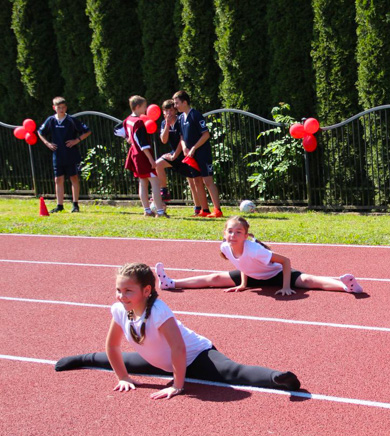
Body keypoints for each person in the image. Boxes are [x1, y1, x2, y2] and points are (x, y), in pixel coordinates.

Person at [54, 263, 300, 399]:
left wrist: (177, 385)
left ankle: (277, 378)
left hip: (195, 356)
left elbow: (178, 348)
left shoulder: (159, 310)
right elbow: (113, 346)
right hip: (159, 360)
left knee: (232, 372)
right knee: (111, 360)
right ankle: (81, 359)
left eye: (128, 291)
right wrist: (123, 377)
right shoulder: (119, 309)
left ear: (146, 290)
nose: (122, 295)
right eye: (119, 290)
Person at [154, 216, 365, 296]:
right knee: (215, 278)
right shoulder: (226, 247)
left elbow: (285, 261)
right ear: (224, 233)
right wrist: (244, 283)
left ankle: (345, 286)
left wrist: (285, 286)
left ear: (246, 236)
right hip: (254, 276)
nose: (233, 235)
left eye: (238, 232)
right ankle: (171, 283)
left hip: (275, 274)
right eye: (230, 231)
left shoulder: (255, 249)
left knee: (309, 281)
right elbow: (242, 264)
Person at [172, 90, 222, 217]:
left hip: (202, 153)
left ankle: (217, 210)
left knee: (207, 180)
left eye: (177, 103)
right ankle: (204, 210)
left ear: (185, 102)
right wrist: (184, 148)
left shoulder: (195, 115)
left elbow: (206, 134)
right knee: (196, 181)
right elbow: (182, 136)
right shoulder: (181, 118)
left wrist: (194, 148)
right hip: (190, 155)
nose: (175, 106)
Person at [37, 96, 91, 213]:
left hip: (70, 154)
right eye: (59, 107)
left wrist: (77, 140)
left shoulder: (71, 120)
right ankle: (59, 205)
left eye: (63, 107)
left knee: (74, 177)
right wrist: (47, 143)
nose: (61, 110)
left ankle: (75, 204)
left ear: (66, 108)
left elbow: (87, 131)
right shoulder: (51, 120)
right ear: (54, 108)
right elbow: (40, 132)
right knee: (58, 179)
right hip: (58, 155)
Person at [155, 99, 205, 210]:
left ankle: (198, 207)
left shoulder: (180, 121)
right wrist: (167, 125)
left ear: (175, 111)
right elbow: (164, 140)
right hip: (174, 155)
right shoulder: (164, 123)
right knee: (158, 164)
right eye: (166, 111)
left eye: (171, 110)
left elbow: (181, 141)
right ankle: (164, 190)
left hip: (184, 154)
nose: (169, 113)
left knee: (192, 182)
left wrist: (175, 155)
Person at [123, 96, 168, 217]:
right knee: (155, 182)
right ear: (137, 107)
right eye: (144, 107)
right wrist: (151, 160)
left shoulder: (127, 120)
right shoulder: (138, 122)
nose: (145, 109)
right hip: (142, 155)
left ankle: (147, 210)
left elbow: (127, 137)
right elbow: (143, 144)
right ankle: (159, 211)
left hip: (135, 155)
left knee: (142, 182)